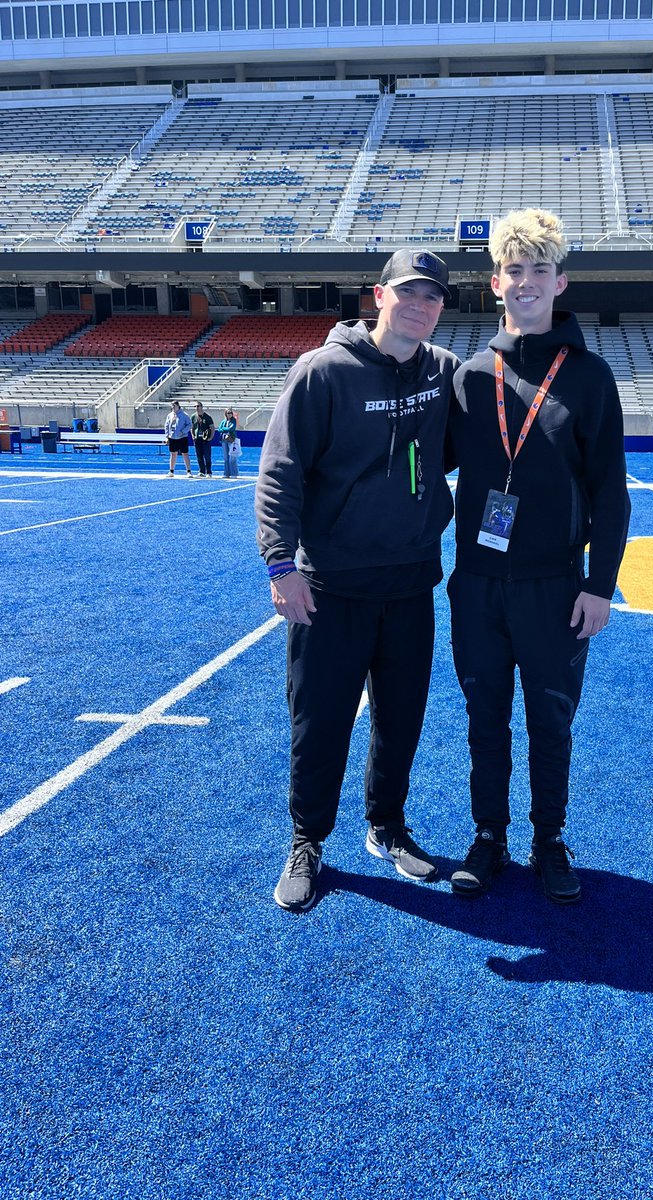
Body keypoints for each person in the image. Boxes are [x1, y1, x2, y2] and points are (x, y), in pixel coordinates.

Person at [255, 248, 458, 913]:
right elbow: (280, 471)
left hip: (410, 586)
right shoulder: (323, 372)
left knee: (400, 721)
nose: (421, 306)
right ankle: (306, 842)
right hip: (331, 587)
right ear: (379, 295)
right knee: (320, 723)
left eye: (433, 297)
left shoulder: (443, 372)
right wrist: (281, 564)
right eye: (410, 293)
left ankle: (388, 827)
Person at [446, 209, 631, 905]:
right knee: (484, 717)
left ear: (560, 281)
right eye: (513, 271)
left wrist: (600, 585)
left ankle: (548, 837)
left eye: (539, 271)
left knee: (550, 719)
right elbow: (419, 467)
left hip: (556, 587)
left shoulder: (589, 377)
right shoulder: (469, 376)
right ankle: (488, 835)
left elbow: (611, 494)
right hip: (478, 586)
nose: (526, 283)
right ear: (496, 282)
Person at [164, 399, 193, 477]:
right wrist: (167, 436)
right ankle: (171, 471)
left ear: (178, 406)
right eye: (172, 406)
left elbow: (190, 425)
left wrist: (183, 431)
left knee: (185, 454)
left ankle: (188, 471)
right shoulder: (170, 415)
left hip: (182, 437)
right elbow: (166, 426)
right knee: (173, 454)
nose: (173, 407)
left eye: (174, 405)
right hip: (172, 437)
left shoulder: (184, 415)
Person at [191, 401, 215, 477]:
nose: (196, 408)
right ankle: (201, 471)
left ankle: (209, 472)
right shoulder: (193, 416)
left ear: (201, 406)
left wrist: (210, 437)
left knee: (207, 456)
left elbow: (212, 428)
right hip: (197, 438)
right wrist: (193, 436)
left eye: (198, 406)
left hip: (205, 439)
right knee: (199, 456)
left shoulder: (207, 417)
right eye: (195, 406)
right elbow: (192, 427)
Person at [218, 408, 239, 477]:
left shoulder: (233, 421)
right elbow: (219, 429)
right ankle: (226, 473)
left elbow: (231, 428)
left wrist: (223, 429)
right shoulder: (223, 421)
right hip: (224, 439)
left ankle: (234, 473)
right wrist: (223, 429)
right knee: (226, 457)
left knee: (232, 456)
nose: (229, 414)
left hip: (231, 439)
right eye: (228, 413)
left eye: (230, 413)